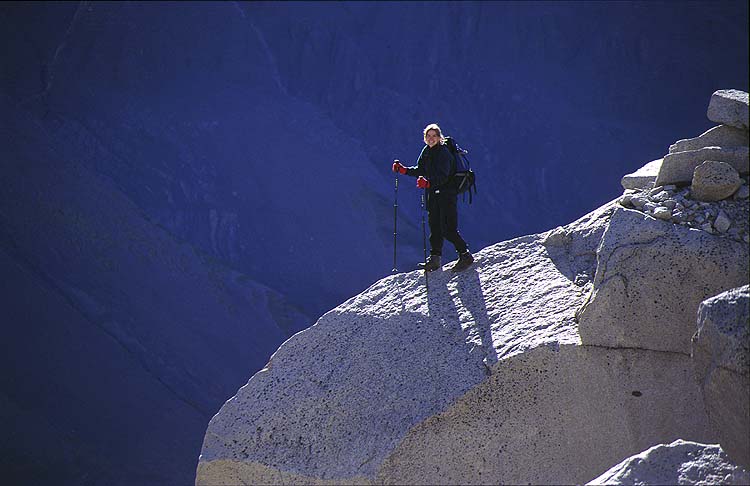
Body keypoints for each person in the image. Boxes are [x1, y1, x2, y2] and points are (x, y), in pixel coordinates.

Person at [392, 123, 474, 273]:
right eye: (428, 136)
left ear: (439, 138)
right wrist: (404, 170)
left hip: (447, 194)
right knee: (435, 226)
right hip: (433, 194)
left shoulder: (444, 153)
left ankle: (465, 255)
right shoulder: (427, 152)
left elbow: (444, 176)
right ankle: (435, 259)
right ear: (425, 138)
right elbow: (420, 170)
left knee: (448, 228)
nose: (431, 139)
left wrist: (428, 183)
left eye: (434, 136)